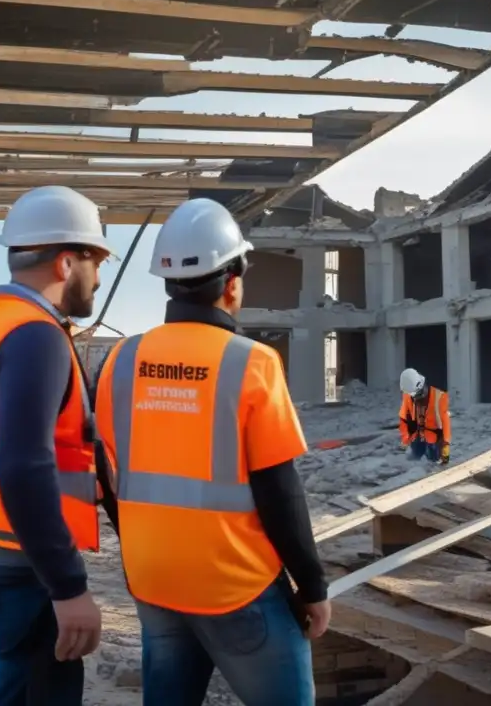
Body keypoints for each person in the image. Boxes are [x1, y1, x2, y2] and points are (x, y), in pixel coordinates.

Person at [94, 197, 329, 706]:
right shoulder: (253, 362)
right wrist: (312, 586)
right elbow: (278, 488)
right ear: (231, 281)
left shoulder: (122, 359)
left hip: (153, 577)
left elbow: (109, 474)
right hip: (233, 584)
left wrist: (140, 551)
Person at [0, 185, 115, 706]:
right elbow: (24, 465)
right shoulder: (35, 336)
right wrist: (67, 585)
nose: (99, 278)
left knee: (14, 680)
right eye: (96, 260)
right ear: (66, 263)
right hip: (24, 560)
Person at [398, 368, 450, 465]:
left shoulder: (438, 396)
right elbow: (404, 419)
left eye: (417, 395)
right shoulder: (408, 395)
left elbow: (445, 421)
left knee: (434, 462)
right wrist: (405, 440)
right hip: (417, 437)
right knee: (414, 459)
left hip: (434, 438)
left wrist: (445, 444)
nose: (416, 398)